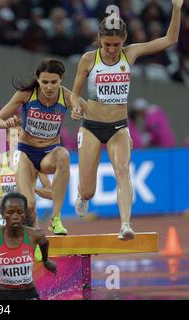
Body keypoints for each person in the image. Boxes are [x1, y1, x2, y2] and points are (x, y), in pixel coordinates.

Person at [70, 0, 183, 240]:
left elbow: (169, 40)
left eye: (116, 44)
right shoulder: (89, 60)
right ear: (100, 39)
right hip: (91, 126)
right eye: (107, 44)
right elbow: (75, 93)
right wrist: (76, 107)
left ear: (124, 41)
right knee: (88, 191)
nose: (112, 49)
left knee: (122, 170)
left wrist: (176, 8)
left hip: (119, 127)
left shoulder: (130, 53)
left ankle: (125, 225)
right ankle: (82, 194)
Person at [0, 59, 78, 235]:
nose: (49, 87)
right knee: (29, 204)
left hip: (48, 155)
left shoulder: (67, 96)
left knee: (64, 154)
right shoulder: (26, 94)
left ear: (61, 80)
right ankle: (36, 239)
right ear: (38, 79)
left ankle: (55, 219)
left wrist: (78, 110)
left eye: (54, 82)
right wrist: (7, 123)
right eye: (45, 82)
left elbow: (90, 112)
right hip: (25, 153)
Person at [0, 127, 53, 232]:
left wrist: (30, 188)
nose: (16, 139)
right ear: (7, 138)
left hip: (27, 219)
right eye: (13, 136)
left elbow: (52, 193)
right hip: (5, 220)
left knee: (31, 246)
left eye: (19, 136)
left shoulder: (34, 162)